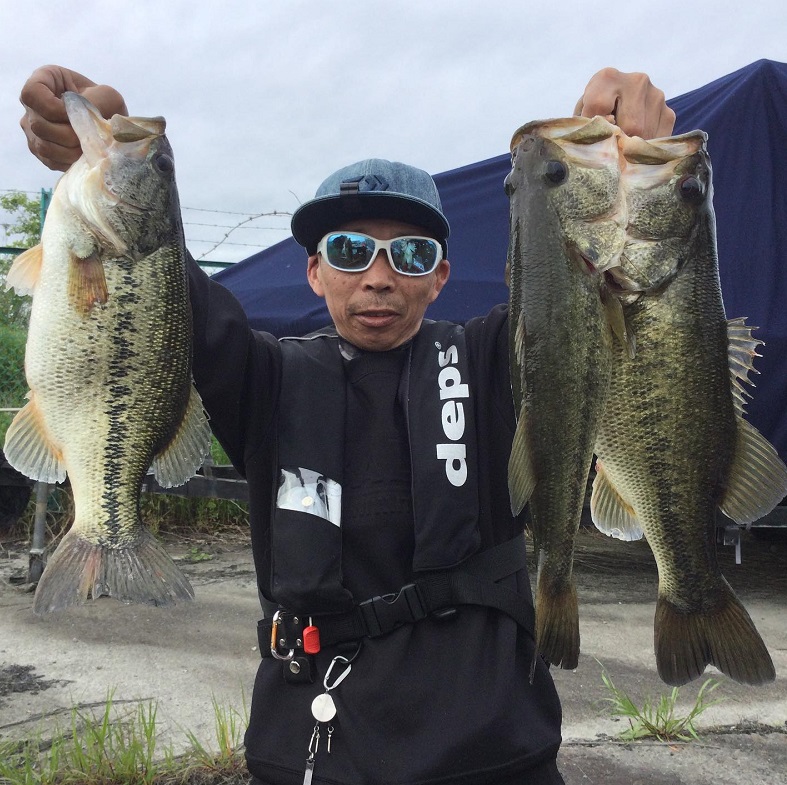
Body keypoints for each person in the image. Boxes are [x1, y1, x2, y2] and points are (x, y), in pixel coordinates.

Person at [19, 65, 675, 785]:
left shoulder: (498, 358)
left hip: (493, 751)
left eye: (411, 254)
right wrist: (99, 141)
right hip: (312, 750)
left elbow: (594, 288)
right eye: (349, 251)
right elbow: (153, 282)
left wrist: (622, 153)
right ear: (314, 272)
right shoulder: (263, 377)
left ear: (440, 277)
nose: (378, 277)